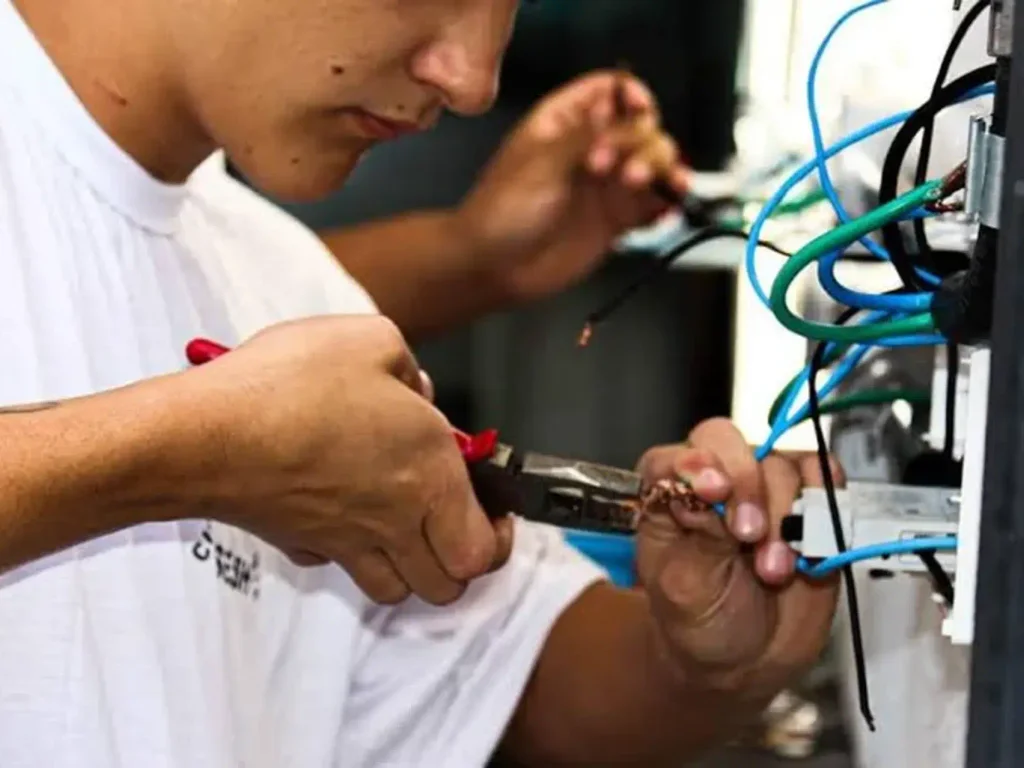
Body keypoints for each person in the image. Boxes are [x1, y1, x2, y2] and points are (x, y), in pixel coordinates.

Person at [0, 0, 839, 765]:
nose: (472, 81)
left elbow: (493, 678)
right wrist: (187, 458)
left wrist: (697, 659)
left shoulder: (284, 284)